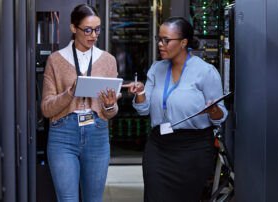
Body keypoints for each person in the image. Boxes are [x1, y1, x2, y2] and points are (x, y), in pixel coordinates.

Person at [122, 17, 228, 202]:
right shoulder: (156, 69)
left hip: (192, 149)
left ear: (183, 42)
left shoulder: (206, 71)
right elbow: (144, 110)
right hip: (158, 147)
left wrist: (213, 110)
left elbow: (220, 116)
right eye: (159, 39)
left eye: (166, 40)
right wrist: (140, 93)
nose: (160, 44)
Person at [41, 4, 119, 202]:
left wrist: (110, 105)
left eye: (97, 29)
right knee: (67, 198)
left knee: (93, 199)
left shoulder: (108, 60)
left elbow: (111, 112)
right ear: (74, 28)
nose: (93, 35)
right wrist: (70, 93)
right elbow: (47, 108)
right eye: (87, 30)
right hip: (63, 135)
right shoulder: (56, 60)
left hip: (98, 134)